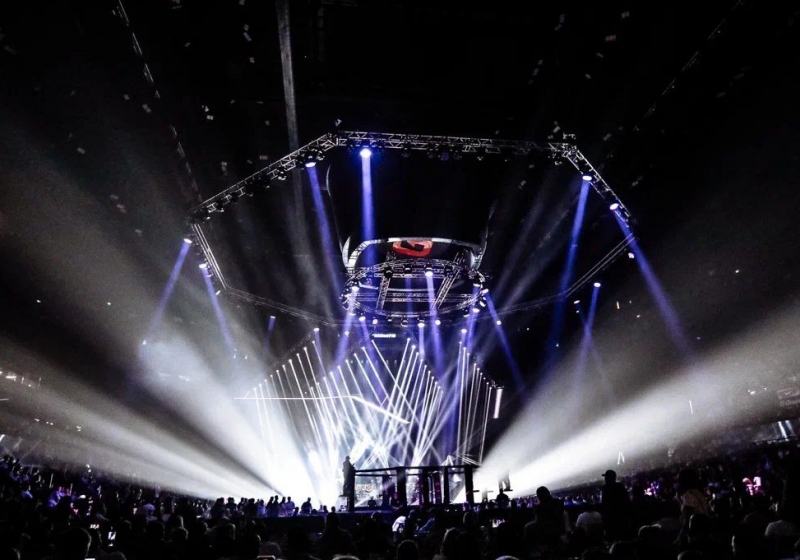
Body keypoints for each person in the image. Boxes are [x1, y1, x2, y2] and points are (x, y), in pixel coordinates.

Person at [600, 469, 632, 541]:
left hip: (611, 519)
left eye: (606, 477)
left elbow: (604, 504)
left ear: (609, 478)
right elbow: (627, 501)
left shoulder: (605, 488)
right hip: (622, 517)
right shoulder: (620, 486)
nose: (605, 479)